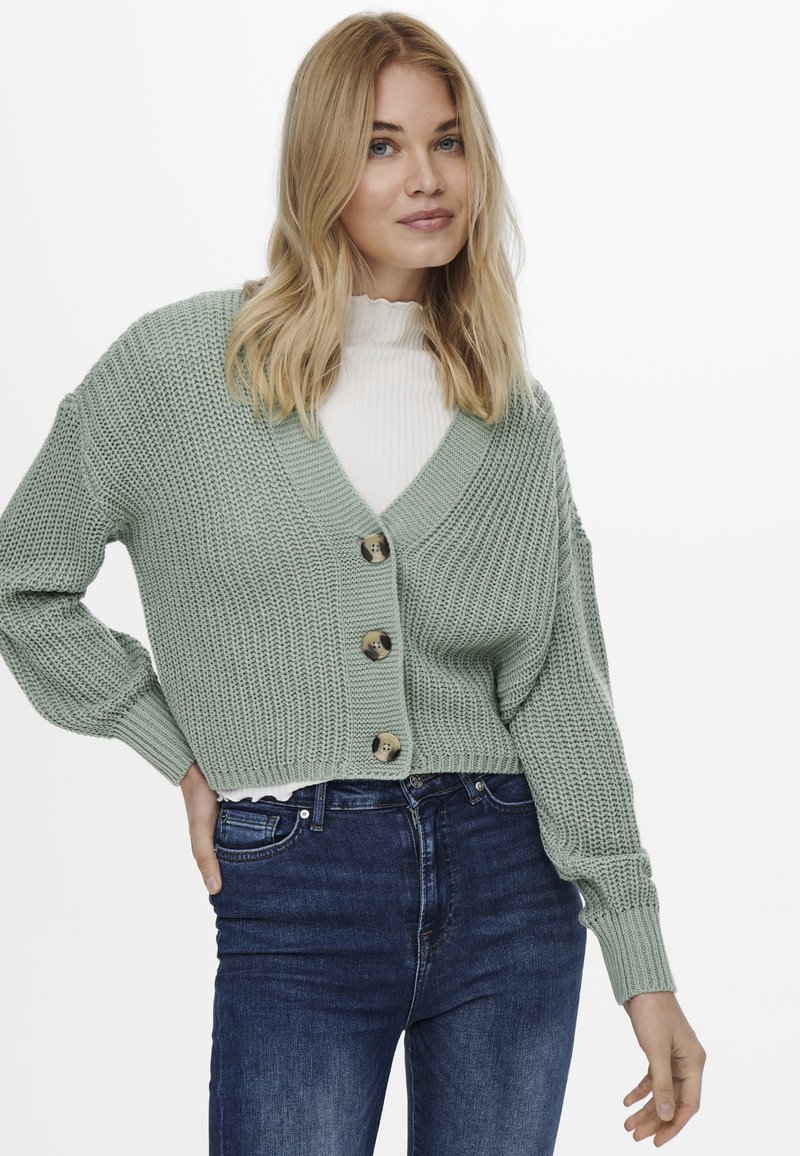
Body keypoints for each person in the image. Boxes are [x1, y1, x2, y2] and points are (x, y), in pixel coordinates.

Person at [0, 11, 706, 1155]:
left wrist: (642, 961)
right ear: (318, 164)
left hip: (511, 886)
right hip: (297, 886)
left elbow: (560, 692)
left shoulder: (510, 415)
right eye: (381, 145)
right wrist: (174, 748)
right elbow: (21, 580)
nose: (425, 177)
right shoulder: (178, 372)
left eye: (447, 140)